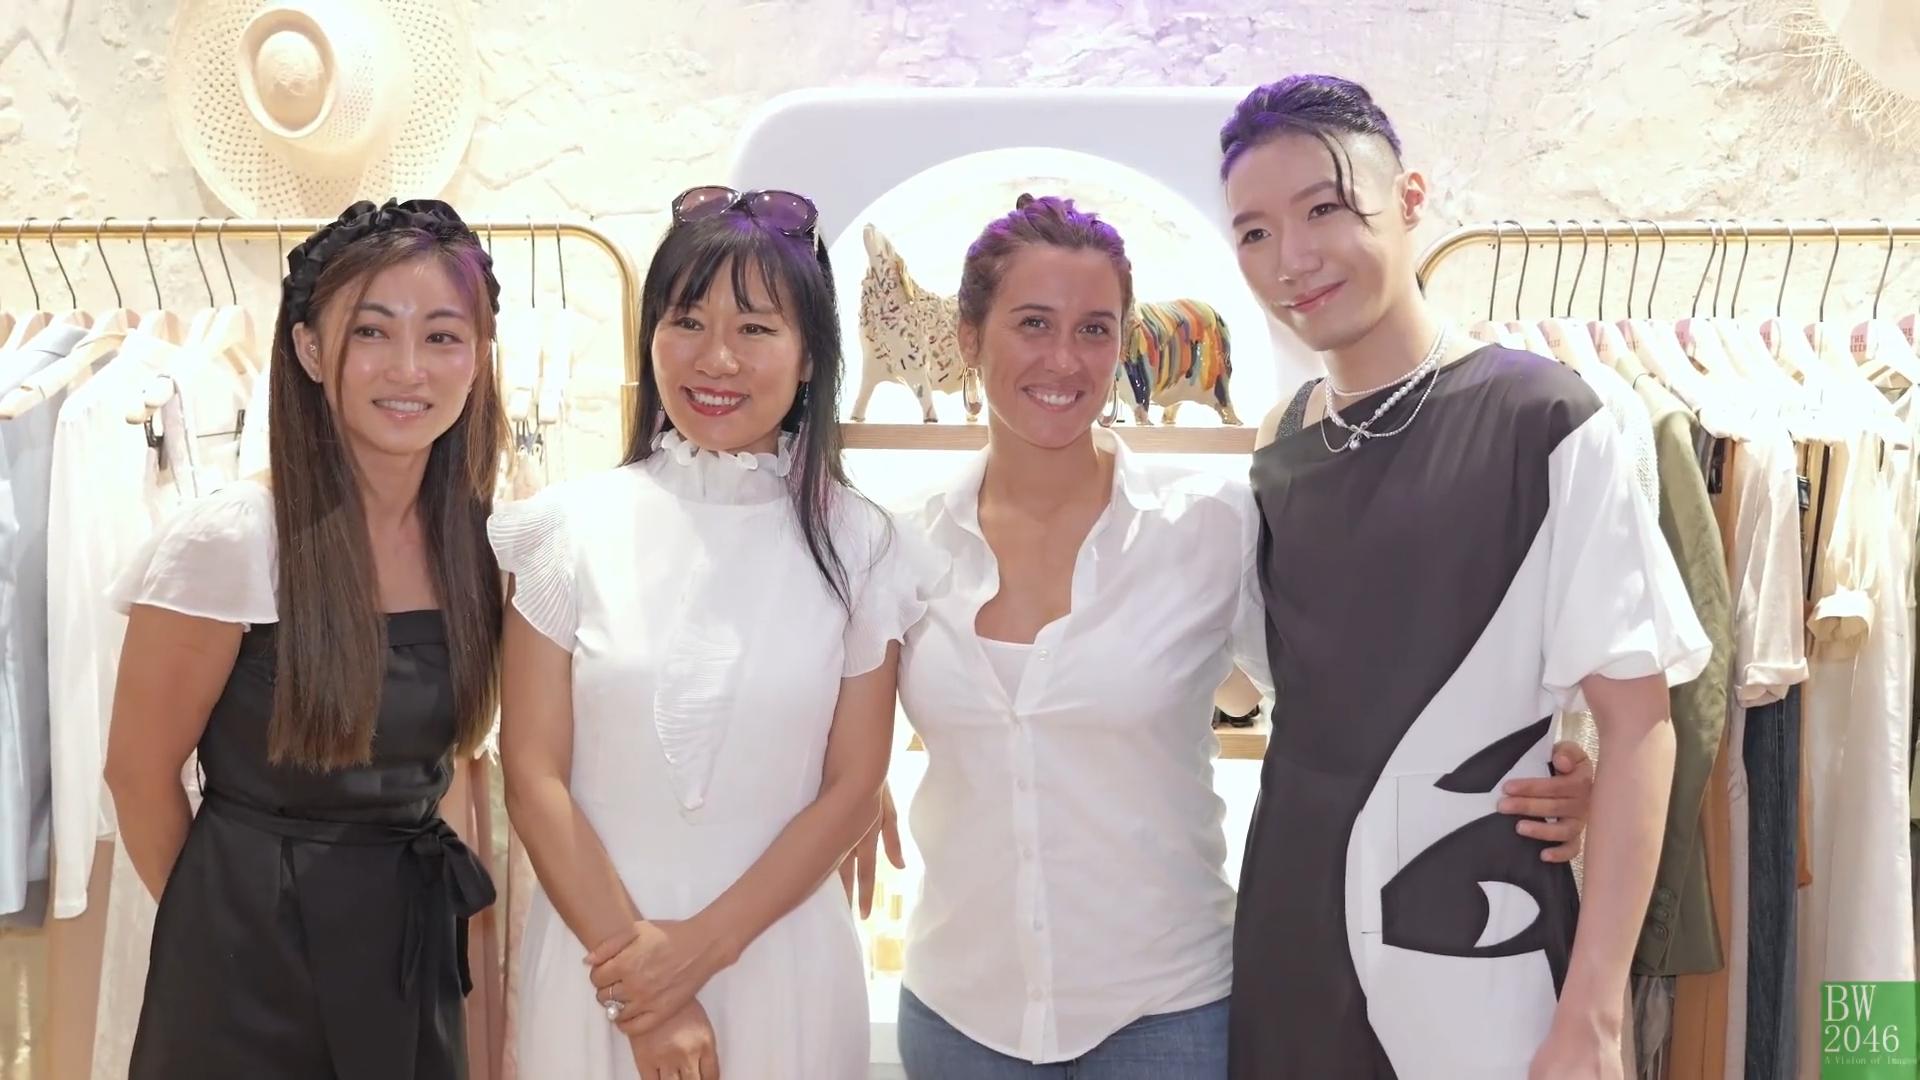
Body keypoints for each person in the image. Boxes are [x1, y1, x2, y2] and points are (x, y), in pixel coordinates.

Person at [846, 194, 1597, 1080]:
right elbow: (818, 717)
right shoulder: (896, 545)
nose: (1064, 359)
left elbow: (1358, 705)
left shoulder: (1211, 525)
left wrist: (1543, 765)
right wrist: (852, 781)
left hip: (1168, 1022)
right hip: (958, 1018)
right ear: (970, 337)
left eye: (1095, 330)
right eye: (1033, 323)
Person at [1221, 75, 1710, 1079]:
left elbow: (1639, 724)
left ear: (1409, 200)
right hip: (1291, 928)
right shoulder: (1279, 442)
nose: (1291, 259)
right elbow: (1280, 693)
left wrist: (1595, 1014)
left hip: (1477, 932)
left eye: (1323, 209)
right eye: (1256, 232)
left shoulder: (1546, 419)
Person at [494, 186, 941, 1079]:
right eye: (687, 321)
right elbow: (532, 775)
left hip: (780, 966)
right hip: (598, 967)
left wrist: (694, 955)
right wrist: (643, 992)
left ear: (810, 357)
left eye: (757, 328)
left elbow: (853, 786)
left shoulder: (865, 544)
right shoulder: (565, 528)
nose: (717, 358)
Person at [103, 199, 506, 1080]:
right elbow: (137, 775)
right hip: (245, 969)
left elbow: (447, 777)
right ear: (312, 350)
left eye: (443, 336)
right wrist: (225, 940)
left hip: (407, 953)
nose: (409, 368)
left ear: (478, 357)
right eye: (372, 331)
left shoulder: (480, 543)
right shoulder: (234, 538)